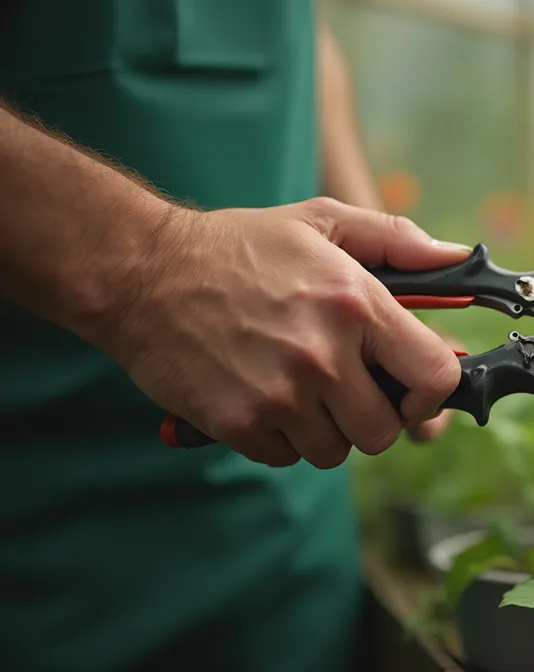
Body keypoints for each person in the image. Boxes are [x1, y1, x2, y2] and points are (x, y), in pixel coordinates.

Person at [0, 2, 465, 670]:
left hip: (289, 567)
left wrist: (376, 280)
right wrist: (149, 272)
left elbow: (298, 35)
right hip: (45, 561)